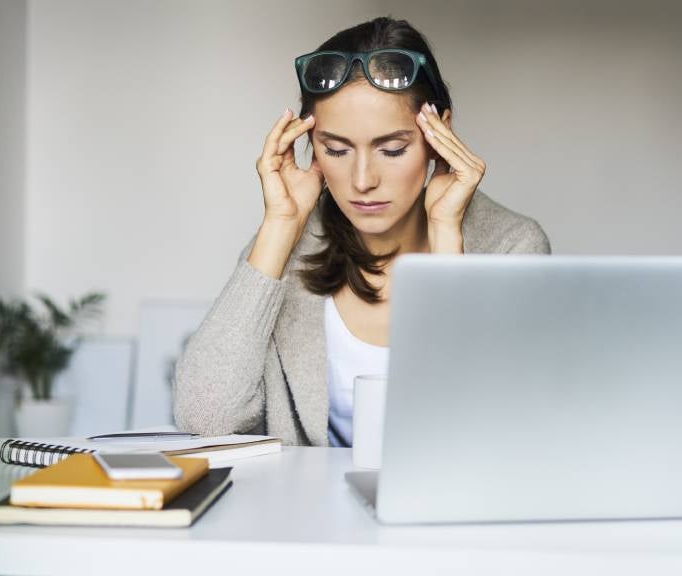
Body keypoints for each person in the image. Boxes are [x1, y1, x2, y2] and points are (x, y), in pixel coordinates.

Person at [173, 16, 550, 446]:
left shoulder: (512, 246)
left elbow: (492, 433)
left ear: (438, 134)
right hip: (303, 512)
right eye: (336, 149)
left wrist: (447, 241)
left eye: (392, 149)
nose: (362, 179)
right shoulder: (285, 247)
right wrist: (280, 226)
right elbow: (203, 416)